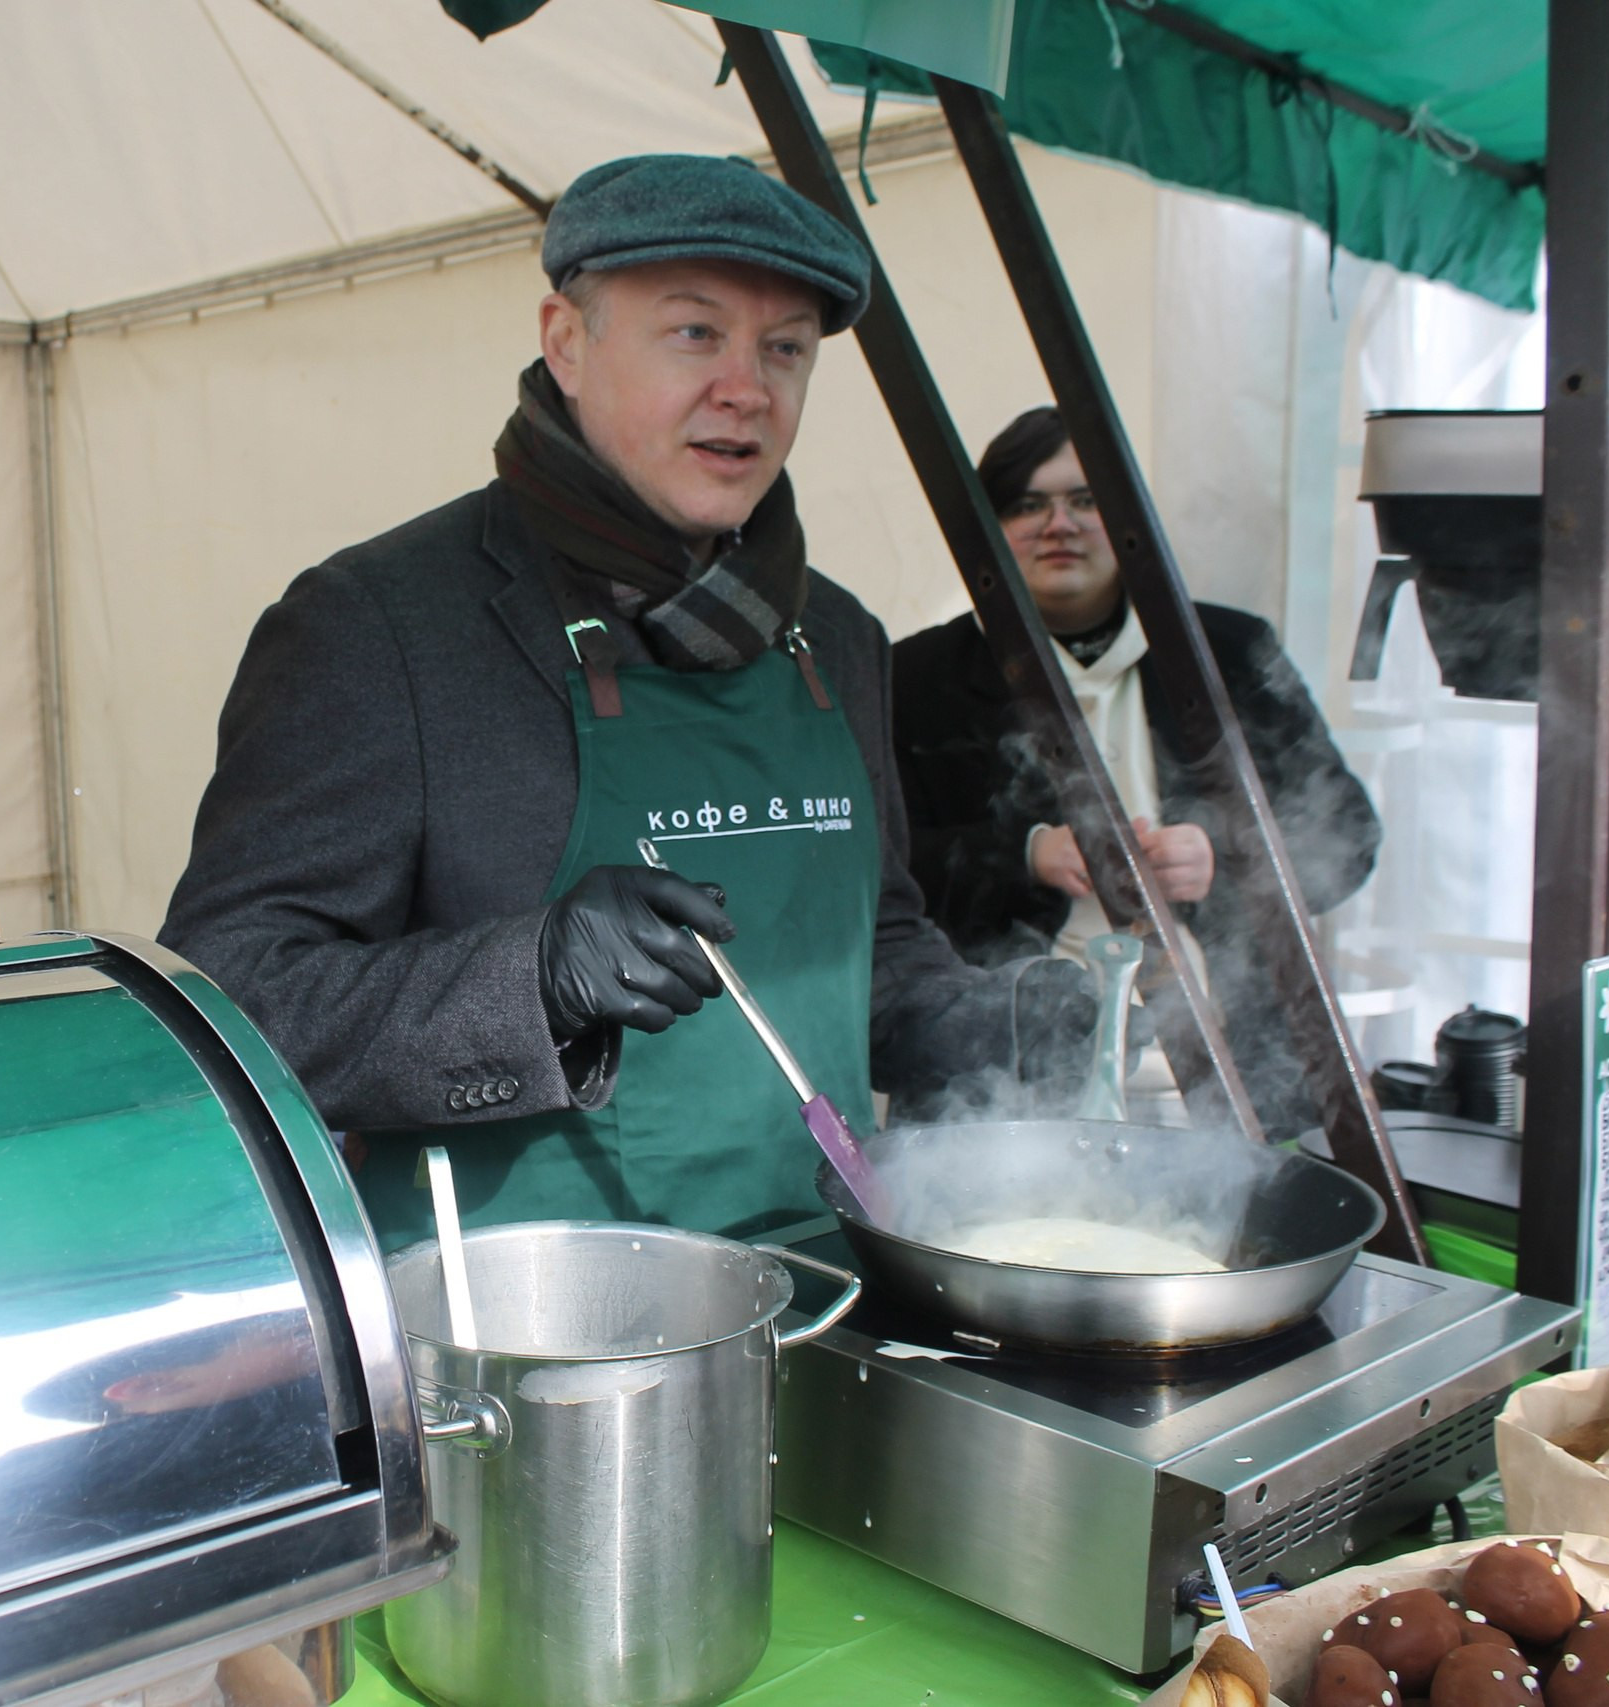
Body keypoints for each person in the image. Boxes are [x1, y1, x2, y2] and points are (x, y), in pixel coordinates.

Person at [161, 156, 1090, 1249]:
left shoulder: (836, 637)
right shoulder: (382, 627)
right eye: (694, 333)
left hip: (831, 1284)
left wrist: (973, 1023)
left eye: (784, 347)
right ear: (566, 340)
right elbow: (227, 1003)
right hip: (530, 1338)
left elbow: (870, 939)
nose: (747, 387)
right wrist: (533, 976)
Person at [891, 405, 1378, 1125]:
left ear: (1129, 519)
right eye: (1028, 504)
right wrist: (1021, 853)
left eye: (1087, 499)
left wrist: (1223, 859)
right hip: (1001, 1075)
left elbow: (1350, 836)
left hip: (1224, 1070)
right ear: (989, 532)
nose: (1061, 524)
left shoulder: (1229, 652)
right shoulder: (918, 674)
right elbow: (878, 868)